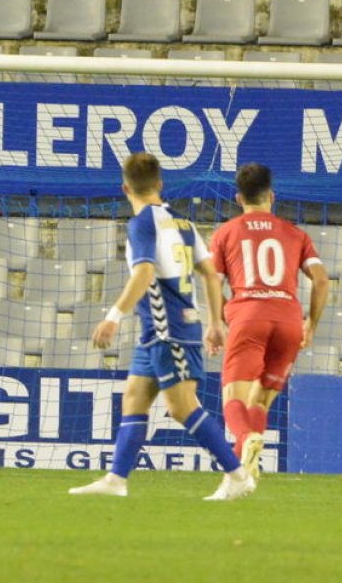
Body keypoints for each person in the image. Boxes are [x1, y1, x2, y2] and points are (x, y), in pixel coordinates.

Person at [69, 152, 255, 500]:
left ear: (125, 187)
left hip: (168, 329)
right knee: (135, 398)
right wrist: (215, 322)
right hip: (156, 330)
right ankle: (116, 479)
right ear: (160, 185)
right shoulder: (183, 224)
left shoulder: (141, 224)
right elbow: (211, 274)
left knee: (181, 406)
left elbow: (144, 272)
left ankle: (237, 473)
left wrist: (112, 317)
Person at [210, 163, 329, 479]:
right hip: (289, 320)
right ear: (272, 197)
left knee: (233, 402)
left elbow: (211, 282)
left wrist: (219, 319)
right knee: (259, 402)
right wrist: (311, 325)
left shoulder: (225, 233)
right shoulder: (295, 233)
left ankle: (246, 441)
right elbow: (321, 280)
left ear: (238, 199)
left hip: (249, 318)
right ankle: (242, 474)